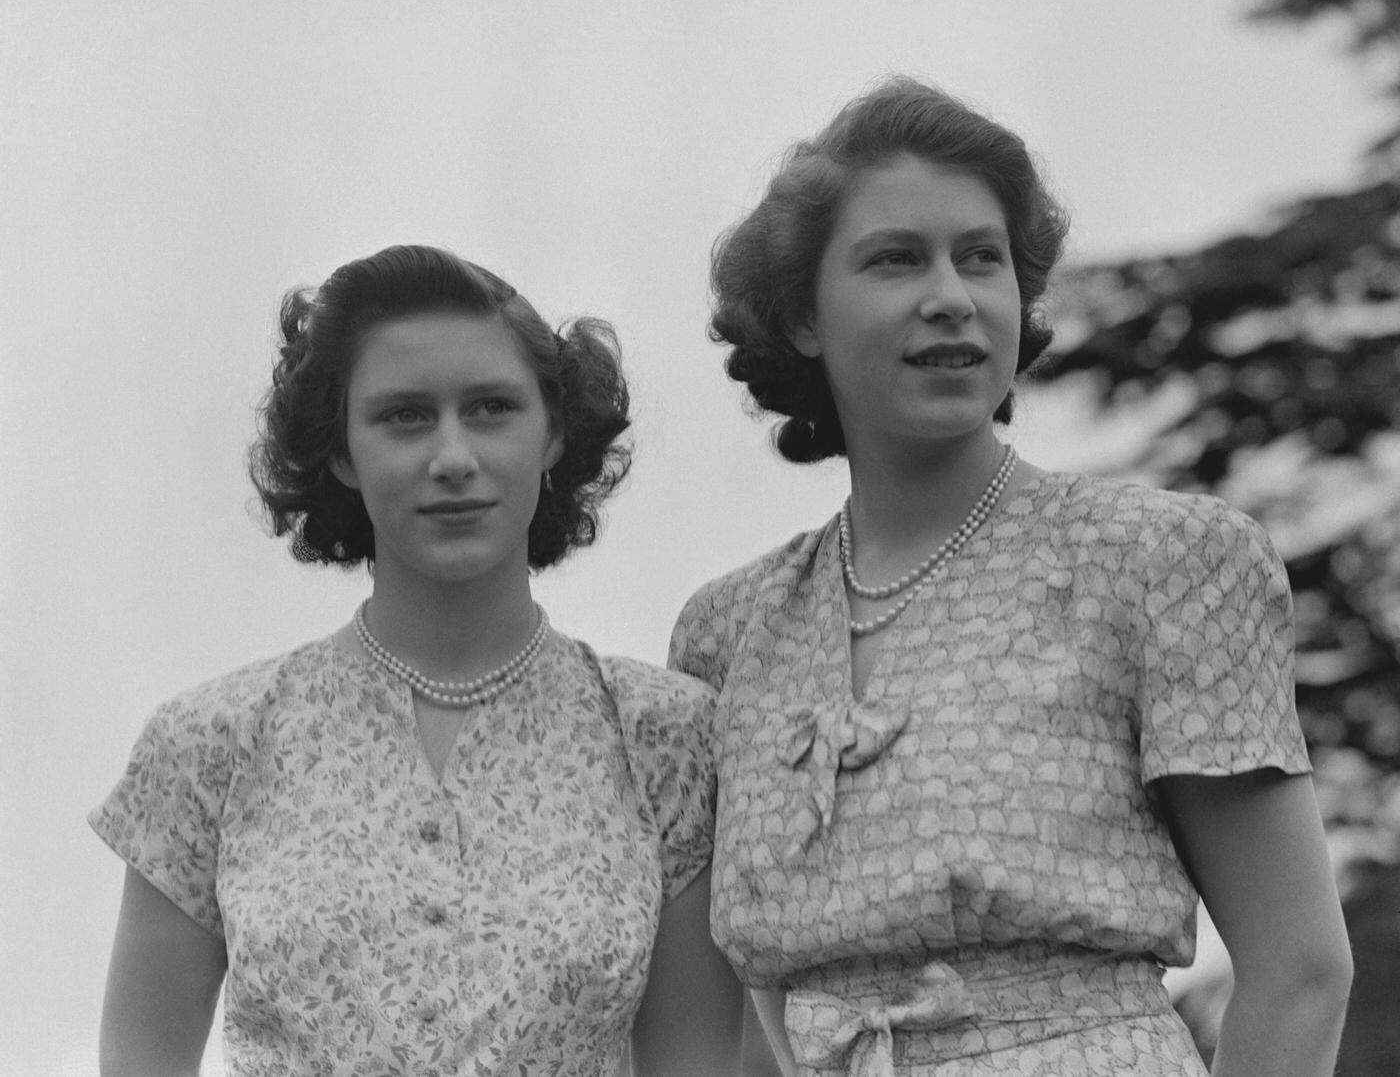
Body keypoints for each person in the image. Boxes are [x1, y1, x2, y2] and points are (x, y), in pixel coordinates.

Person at [669, 79, 1352, 1076]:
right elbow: (745, 1010)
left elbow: (1297, 970)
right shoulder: (726, 632)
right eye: (895, 259)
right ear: (802, 317)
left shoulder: (1158, 561)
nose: (949, 294)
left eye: (979, 258)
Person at [91, 244, 742, 1077]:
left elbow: (694, 1066)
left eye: (492, 408)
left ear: (552, 435)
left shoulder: (664, 738)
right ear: (339, 452)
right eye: (404, 415)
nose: (453, 457)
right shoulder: (207, 744)